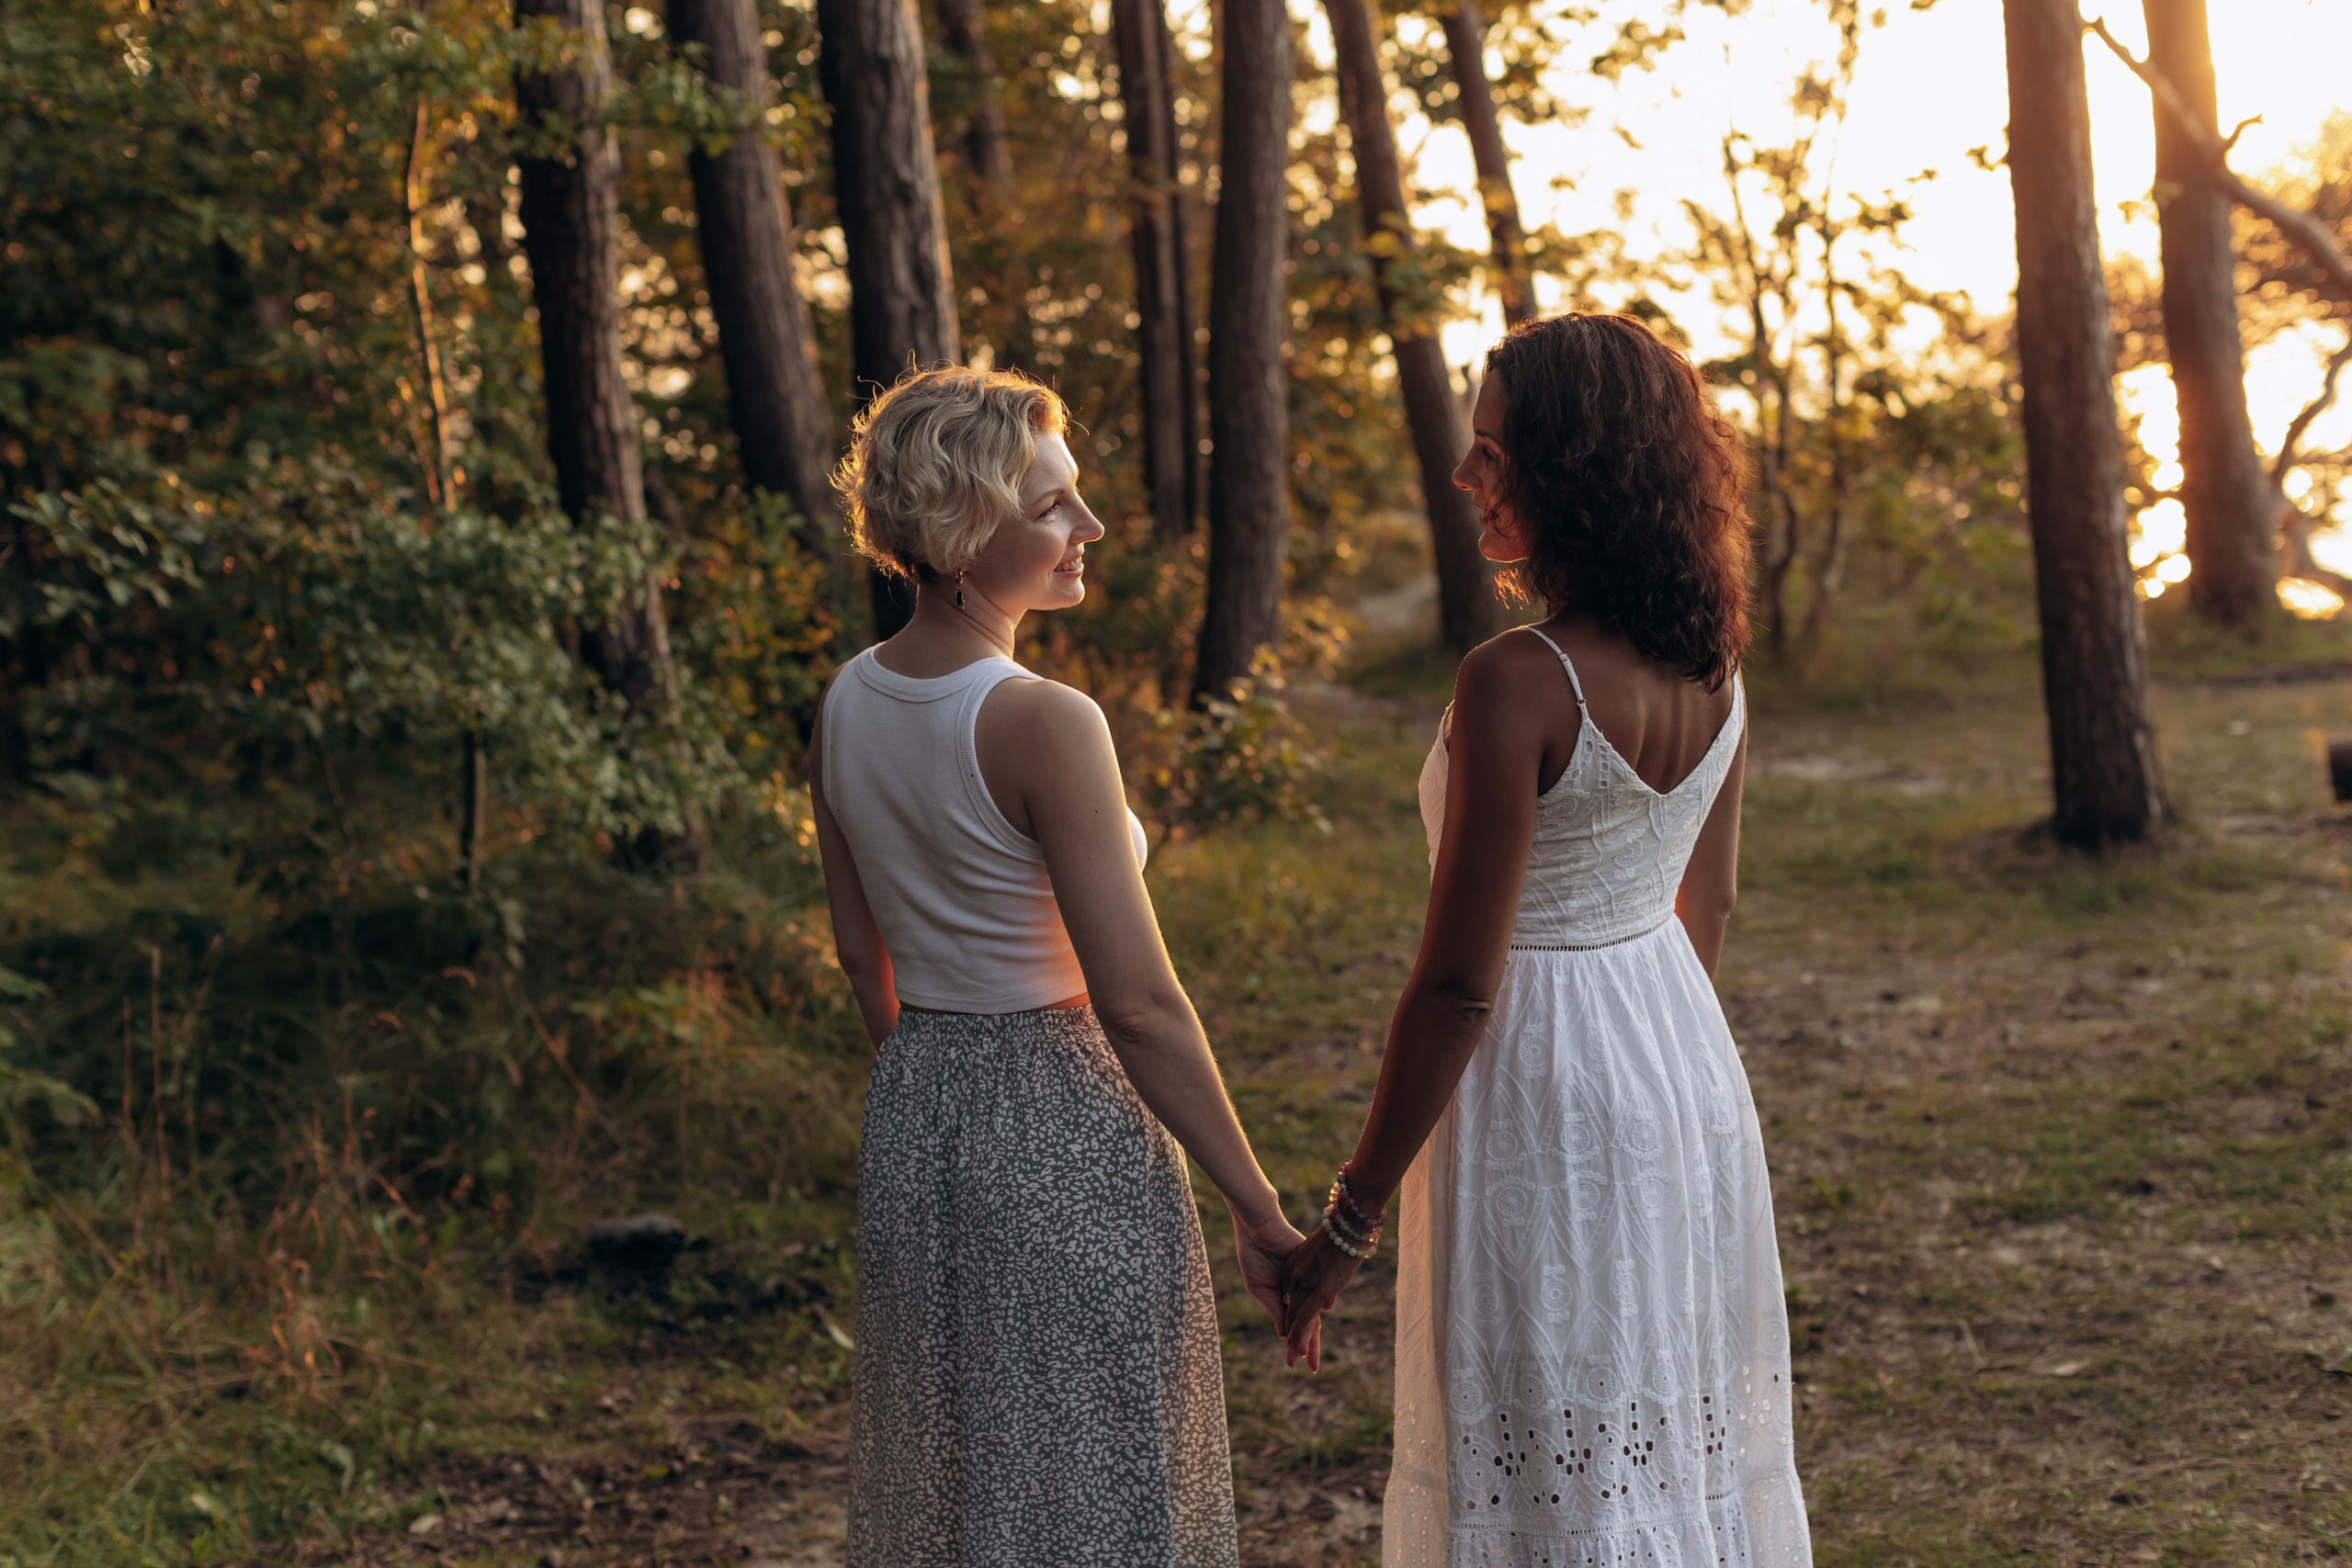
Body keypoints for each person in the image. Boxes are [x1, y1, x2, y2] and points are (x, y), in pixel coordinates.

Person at [1279, 314, 1813, 1566]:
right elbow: (1711, 904)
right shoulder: (1715, 662)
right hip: (1678, 1063)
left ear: (1570, 468)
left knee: (1542, 1454)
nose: (1466, 476)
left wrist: (1346, 1226)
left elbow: (1461, 986)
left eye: (1490, 451)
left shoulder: (1517, 679)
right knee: (1649, 1438)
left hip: (1539, 1084)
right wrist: (1653, 1077)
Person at [810, 366, 1301, 1568]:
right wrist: (1259, 1207)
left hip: (921, 1104)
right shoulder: (1043, 719)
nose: (1086, 526)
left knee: (975, 1469)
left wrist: (938, 1090)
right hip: (1061, 1112)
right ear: (963, 530)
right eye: (1052, 507)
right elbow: (1137, 1003)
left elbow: (861, 953)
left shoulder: (846, 701)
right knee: (1100, 1468)